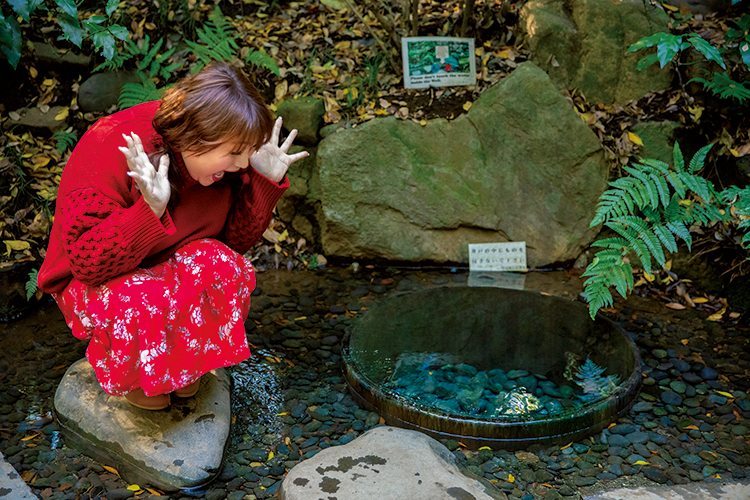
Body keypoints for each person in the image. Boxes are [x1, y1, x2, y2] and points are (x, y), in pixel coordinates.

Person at [38, 61, 308, 410]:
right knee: (142, 296)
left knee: (225, 267)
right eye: (235, 154)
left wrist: (261, 181)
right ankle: (134, 376)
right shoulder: (111, 146)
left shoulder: (221, 167)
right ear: (197, 138)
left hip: (164, 265)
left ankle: (185, 363)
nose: (243, 164)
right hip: (97, 282)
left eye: (247, 153)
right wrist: (148, 211)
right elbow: (88, 265)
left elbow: (231, 244)